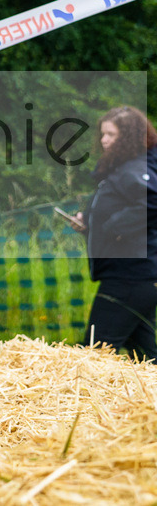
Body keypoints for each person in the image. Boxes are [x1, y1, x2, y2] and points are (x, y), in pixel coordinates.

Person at [69, 106, 157, 361]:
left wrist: (113, 228)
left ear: (128, 137)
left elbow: (152, 202)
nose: (103, 140)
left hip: (129, 277)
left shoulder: (133, 170)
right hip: (135, 277)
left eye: (110, 134)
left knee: (94, 354)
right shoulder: (127, 169)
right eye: (102, 134)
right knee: (146, 358)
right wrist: (90, 222)